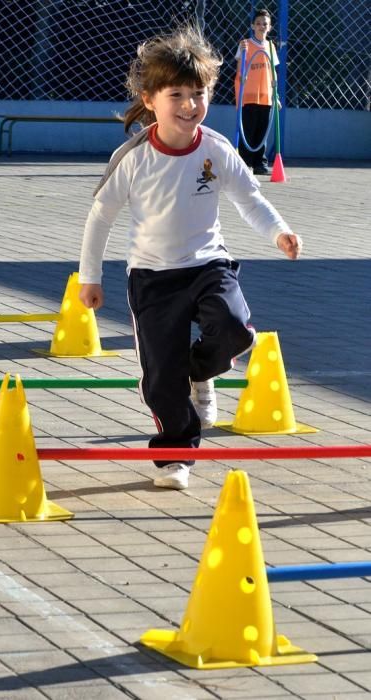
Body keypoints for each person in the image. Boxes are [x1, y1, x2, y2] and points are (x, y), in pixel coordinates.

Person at [78, 24, 302, 490]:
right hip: (152, 279)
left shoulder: (216, 150)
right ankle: (176, 456)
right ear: (150, 98)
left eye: (198, 94)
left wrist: (278, 232)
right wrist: (90, 277)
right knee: (161, 379)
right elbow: (100, 217)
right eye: (176, 94)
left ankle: (200, 374)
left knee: (237, 330)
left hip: (208, 266)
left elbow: (250, 200)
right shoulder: (134, 157)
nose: (188, 105)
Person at [235, 8, 279, 174]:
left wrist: (277, 97)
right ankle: (245, 163)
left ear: (270, 27)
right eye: (258, 23)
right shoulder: (245, 44)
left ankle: (260, 163)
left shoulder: (270, 46)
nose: (262, 26)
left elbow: (273, 72)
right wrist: (242, 78)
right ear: (253, 26)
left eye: (265, 24)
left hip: (266, 96)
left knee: (262, 131)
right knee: (248, 130)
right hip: (249, 96)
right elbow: (240, 68)